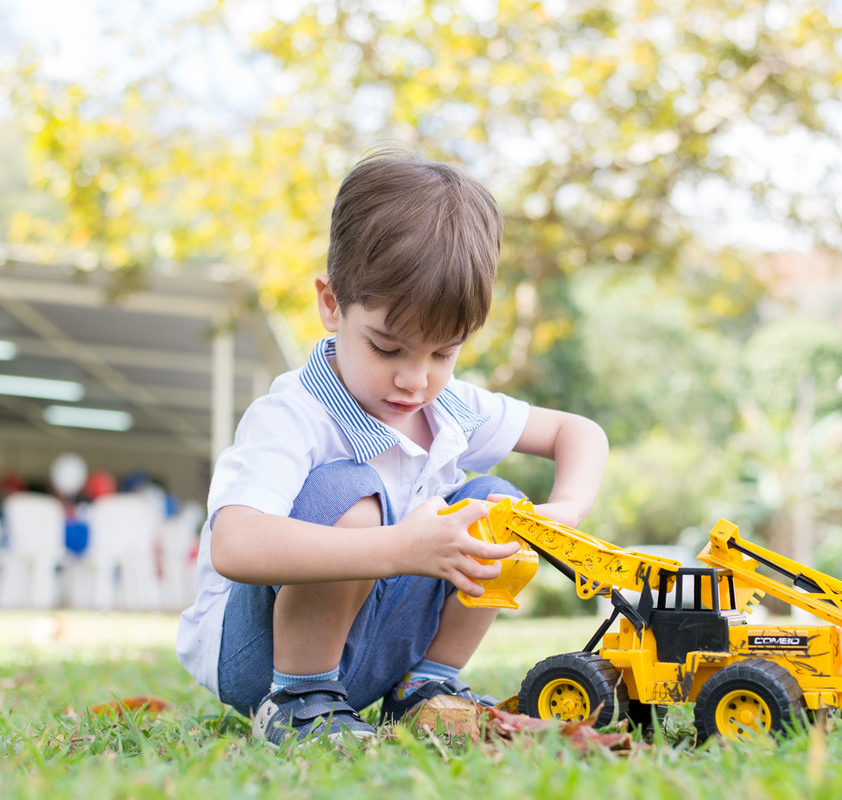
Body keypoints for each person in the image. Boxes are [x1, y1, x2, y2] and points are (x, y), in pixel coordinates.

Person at [176, 148, 609, 750]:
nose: (415, 380)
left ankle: (426, 686)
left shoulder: (450, 408)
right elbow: (236, 544)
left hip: (377, 645)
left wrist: (562, 513)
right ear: (331, 304)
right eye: (387, 348)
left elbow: (578, 433)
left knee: (499, 502)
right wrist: (400, 547)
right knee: (349, 492)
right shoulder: (293, 416)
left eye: (443, 353)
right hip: (261, 657)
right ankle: (300, 702)